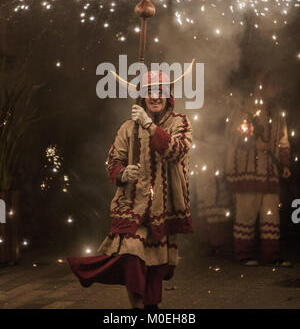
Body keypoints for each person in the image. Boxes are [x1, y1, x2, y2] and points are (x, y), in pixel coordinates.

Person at [67, 70, 194, 309]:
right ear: (143, 97)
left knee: (155, 266)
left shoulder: (181, 123)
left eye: (160, 93)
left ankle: (151, 309)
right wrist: (123, 173)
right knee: (132, 258)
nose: (155, 97)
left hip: (163, 209)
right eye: (149, 93)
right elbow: (113, 162)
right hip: (131, 205)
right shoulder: (128, 127)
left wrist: (148, 125)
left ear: (168, 97)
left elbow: (176, 151)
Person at [225, 72, 292, 267]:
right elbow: (233, 134)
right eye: (271, 85)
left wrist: (285, 165)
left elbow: (283, 140)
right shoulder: (245, 107)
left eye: (277, 86)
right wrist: (254, 143)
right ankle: (244, 254)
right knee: (246, 213)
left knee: (271, 215)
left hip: (270, 173)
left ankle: (271, 256)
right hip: (247, 171)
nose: (274, 90)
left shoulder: (278, 112)